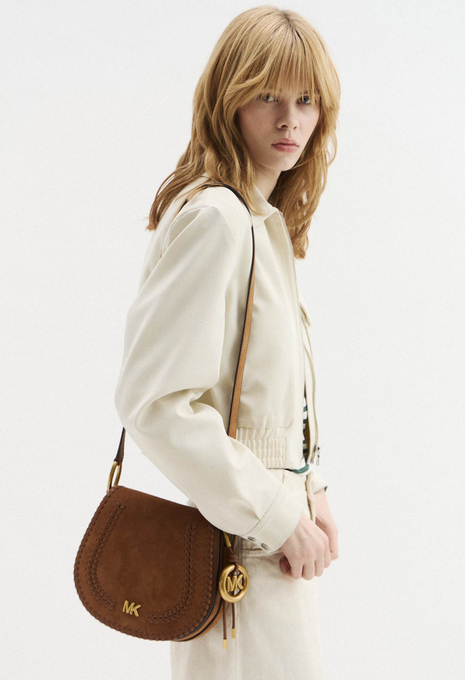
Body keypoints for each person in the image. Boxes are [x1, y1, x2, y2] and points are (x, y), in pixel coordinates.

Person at [114, 6, 340, 679]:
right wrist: (276, 513)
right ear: (227, 99)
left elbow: (267, 399)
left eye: (306, 100)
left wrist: (311, 487)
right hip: (242, 547)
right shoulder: (218, 219)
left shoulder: (258, 223)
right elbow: (154, 402)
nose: (289, 120)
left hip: (267, 539)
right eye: (267, 95)